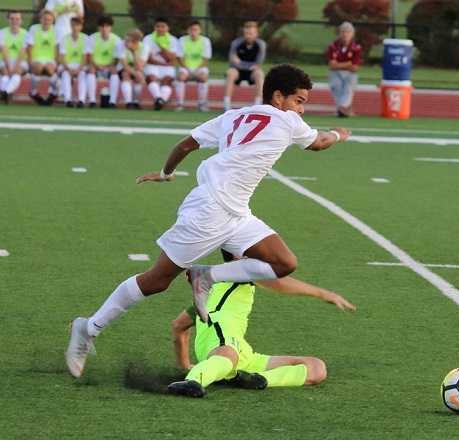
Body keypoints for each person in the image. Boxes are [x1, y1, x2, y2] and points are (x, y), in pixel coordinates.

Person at [65, 64, 350, 379]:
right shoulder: (288, 120)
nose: (302, 109)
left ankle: (207, 275)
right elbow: (320, 142)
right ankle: (88, 327)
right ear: (279, 97)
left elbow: (186, 144)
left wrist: (165, 173)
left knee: (283, 262)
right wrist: (339, 134)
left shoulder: (233, 116)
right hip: (210, 210)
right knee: (157, 280)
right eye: (299, 100)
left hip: (236, 212)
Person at [169, 250, 356, 397]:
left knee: (316, 368)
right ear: (239, 256)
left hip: (242, 352)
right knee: (228, 356)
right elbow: (279, 284)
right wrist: (324, 294)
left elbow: (179, 326)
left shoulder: (213, 288)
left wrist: (184, 364)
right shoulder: (240, 270)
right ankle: (194, 381)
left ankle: (256, 379)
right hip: (222, 342)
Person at [224, 21, 266, 111]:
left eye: (251, 33)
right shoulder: (236, 43)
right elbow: (232, 62)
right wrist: (248, 65)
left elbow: (258, 63)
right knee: (230, 73)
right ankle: (226, 104)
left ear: (256, 34)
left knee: (259, 74)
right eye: (246, 33)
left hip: (252, 73)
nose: (248, 36)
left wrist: (240, 63)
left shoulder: (261, 45)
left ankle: (258, 105)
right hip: (237, 71)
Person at [85, 15, 122, 108]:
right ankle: (92, 101)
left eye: (107, 26)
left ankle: (112, 102)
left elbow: (117, 59)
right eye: (102, 26)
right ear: (99, 27)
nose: (104, 29)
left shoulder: (117, 39)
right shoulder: (92, 38)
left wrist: (108, 66)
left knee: (114, 70)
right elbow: (89, 56)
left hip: (109, 66)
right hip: (96, 66)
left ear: (111, 28)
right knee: (91, 69)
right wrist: (97, 66)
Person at [142, 17, 178, 111]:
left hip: (167, 67)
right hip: (153, 66)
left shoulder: (173, 40)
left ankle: (160, 101)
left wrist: (161, 47)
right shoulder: (148, 38)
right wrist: (164, 62)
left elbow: (172, 58)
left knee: (168, 80)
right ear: (154, 27)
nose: (160, 29)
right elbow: (148, 58)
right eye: (158, 26)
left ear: (168, 28)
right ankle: (159, 99)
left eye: (163, 26)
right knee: (151, 78)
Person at [326, 21, 361, 118]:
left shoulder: (356, 48)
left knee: (349, 87)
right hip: (335, 73)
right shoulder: (333, 46)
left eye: (348, 32)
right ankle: (344, 110)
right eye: (343, 32)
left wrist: (339, 64)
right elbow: (332, 65)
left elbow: (354, 67)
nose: (345, 34)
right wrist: (348, 63)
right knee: (336, 86)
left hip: (350, 74)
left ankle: (342, 109)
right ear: (339, 33)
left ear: (352, 34)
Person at [175, 20, 212, 112]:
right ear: (188, 30)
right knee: (181, 77)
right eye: (191, 30)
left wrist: (196, 70)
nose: (193, 32)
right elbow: (179, 57)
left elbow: (206, 59)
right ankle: (180, 104)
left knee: (203, 77)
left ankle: (202, 104)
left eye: (196, 30)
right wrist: (188, 69)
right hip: (186, 67)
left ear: (200, 31)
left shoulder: (205, 41)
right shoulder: (182, 40)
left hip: (200, 68)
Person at [26, 9, 58, 106]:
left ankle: (53, 93)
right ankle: (33, 92)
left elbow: (57, 49)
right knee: (39, 68)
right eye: (44, 19)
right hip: (37, 58)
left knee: (49, 69)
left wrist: (56, 63)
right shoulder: (34, 29)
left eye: (49, 20)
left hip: (50, 59)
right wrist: (31, 62)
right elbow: (30, 48)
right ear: (40, 19)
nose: (46, 22)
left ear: (52, 21)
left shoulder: (56, 30)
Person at [58, 16, 87, 107]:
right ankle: (68, 100)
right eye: (73, 25)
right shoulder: (65, 39)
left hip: (80, 66)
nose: (75, 28)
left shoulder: (85, 38)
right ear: (70, 26)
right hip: (68, 65)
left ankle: (81, 100)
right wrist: (68, 68)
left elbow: (85, 57)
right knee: (66, 74)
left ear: (81, 27)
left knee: (82, 74)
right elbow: (62, 57)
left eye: (77, 25)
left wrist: (79, 69)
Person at [0, 10, 28, 104]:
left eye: (17, 19)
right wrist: (9, 67)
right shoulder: (2, 32)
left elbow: (22, 53)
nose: (14, 21)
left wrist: (14, 67)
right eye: (12, 18)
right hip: (4, 60)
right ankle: (7, 94)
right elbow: (4, 51)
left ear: (21, 21)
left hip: (20, 61)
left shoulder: (25, 34)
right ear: (8, 20)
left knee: (17, 72)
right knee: (5, 72)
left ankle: (4, 92)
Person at [119, 29, 145, 109]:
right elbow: (125, 65)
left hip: (137, 69)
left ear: (136, 41)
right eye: (126, 39)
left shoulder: (144, 47)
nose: (126, 42)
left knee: (139, 75)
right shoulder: (121, 45)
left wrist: (133, 52)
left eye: (129, 40)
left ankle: (136, 101)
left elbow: (140, 67)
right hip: (122, 68)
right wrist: (136, 74)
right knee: (126, 75)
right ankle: (128, 102)